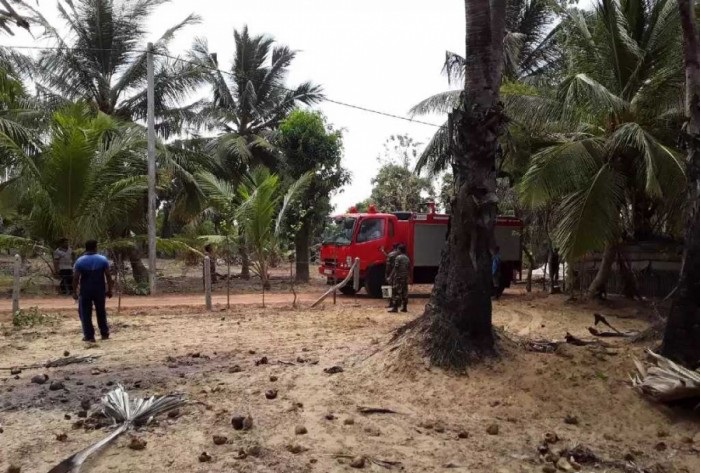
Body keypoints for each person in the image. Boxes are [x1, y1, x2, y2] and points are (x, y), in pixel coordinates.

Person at [72, 240, 113, 342]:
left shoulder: (80, 261)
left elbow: (76, 278)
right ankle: (104, 333)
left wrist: (74, 291)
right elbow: (108, 275)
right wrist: (110, 290)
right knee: (101, 312)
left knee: (85, 313)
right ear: (96, 247)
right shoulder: (102, 259)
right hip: (99, 289)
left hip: (85, 290)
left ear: (85, 248)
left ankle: (89, 336)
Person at [388, 244, 410, 313]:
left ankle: (395, 308)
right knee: (404, 292)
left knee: (396, 291)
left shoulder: (398, 257)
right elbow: (408, 268)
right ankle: (405, 307)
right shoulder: (407, 258)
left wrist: (390, 276)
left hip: (398, 277)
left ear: (400, 250)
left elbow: (395, 267)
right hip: (405, 277)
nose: (397, 251)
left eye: (397, 249)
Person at [381, 243, 400, 308]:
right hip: (399, 274)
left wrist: (386, 275)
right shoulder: (401, 254)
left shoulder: (391, 254)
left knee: (388, 287)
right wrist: (383, 252)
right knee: (398, 289)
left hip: (391, 274)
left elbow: (388, 265)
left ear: (393, 247)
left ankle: (390, 303)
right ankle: (398, 303)